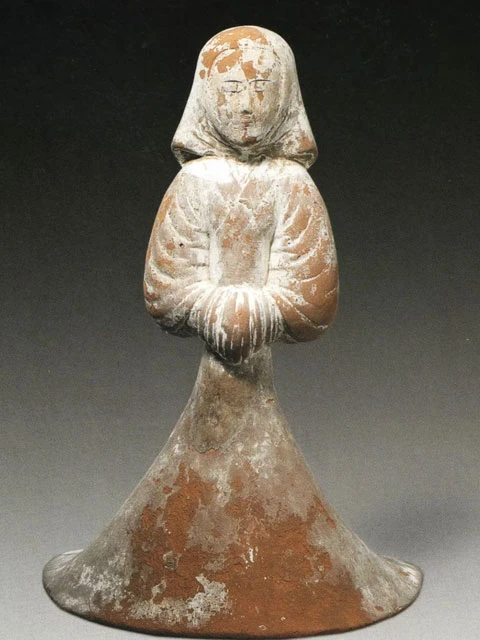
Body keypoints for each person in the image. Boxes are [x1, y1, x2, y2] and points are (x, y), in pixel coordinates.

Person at [144, 25, 339, 366]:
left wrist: (252, 315)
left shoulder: (292, 183)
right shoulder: (195, 181)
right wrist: (216, 312)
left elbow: (315, 301)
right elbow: (163, 291)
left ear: (285, 96)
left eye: (261, 88)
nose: (246, 106)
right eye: (231, 89)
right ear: (206, 95)